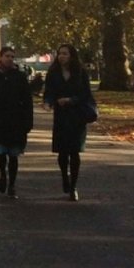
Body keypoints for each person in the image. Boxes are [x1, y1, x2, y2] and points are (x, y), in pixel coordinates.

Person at [0, 47, 33, 198]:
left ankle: (12, 185)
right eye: (7, 56)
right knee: (1, 152)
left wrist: (28, 122)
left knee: (14, 155)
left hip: (16, 122)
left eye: (12, 56)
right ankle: (3, 174)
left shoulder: (20, 77)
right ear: (0, 57)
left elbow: (27, 101)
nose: (10, 59)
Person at [42, 43, 93, 202]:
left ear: (72, 55)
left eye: (65, 53)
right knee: (62, 152)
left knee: (75, 151)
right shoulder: (53, 72)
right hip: (61, 115)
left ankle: (73, 187)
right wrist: (48, 102)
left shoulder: (80, 72)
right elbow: (49, 91)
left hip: (77, 115)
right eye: (60, 53)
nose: (61, 56)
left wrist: (71, 100)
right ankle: (65, 176)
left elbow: (86, 94)